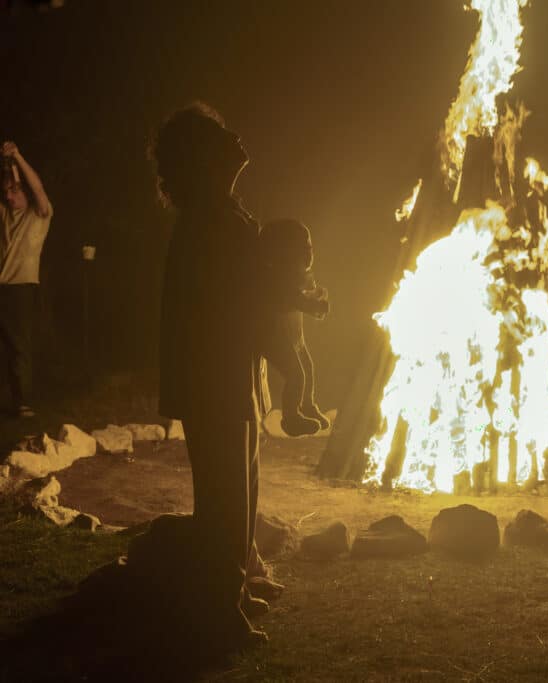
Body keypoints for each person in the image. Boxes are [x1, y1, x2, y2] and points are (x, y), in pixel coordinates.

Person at [150, 103, 269, 652]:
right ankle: (218, 614)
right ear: (205, 158)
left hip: (227, 372)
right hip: (213, 376)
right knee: (224, 495)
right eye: (223, 136)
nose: (237, 137)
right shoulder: (209, 220)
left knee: (241, 485)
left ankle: (234, 591)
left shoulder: (222, 210)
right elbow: (224, 300)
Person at [258, 218, 331, 436]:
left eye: (310, 248)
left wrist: (314, 297)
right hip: (275, 336)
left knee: (307, 368)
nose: (309, 254)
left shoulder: (298, 276)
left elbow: (302, 296)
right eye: (303, 249)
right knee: (296, 374)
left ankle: (307, 405)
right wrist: (312, 305)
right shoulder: (279, 278)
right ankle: (291, 416)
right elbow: (292, 299)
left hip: (294, 335)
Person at [0, 141, 52, 419]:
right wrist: (8, 166)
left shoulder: (38, 214)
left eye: (15, 191)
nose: (9, 196)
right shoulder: (6, 214)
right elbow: (12, 184)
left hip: (21, 289)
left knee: (19, 347)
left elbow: (37, 187)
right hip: (1, 287)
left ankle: (23, 402)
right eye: (6, 192)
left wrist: (17, 156)